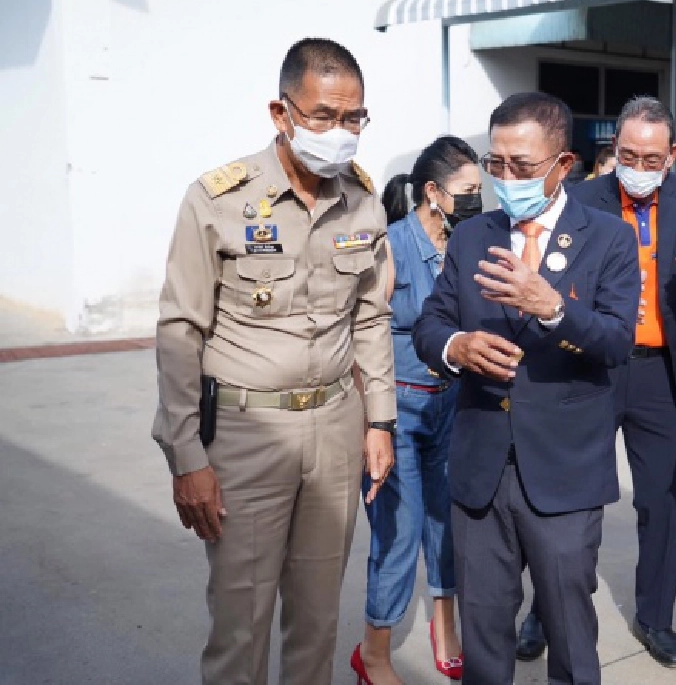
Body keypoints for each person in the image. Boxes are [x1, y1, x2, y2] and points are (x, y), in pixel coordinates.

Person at [152, 38, 396, 685]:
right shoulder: (218, 199)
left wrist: (380, 421)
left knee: (317, 624)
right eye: (323, 116)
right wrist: (188, 458)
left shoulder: (364, 201)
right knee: (242, 626)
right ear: (280, 112)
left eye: (354, 119)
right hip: (246, 438)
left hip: (336, 434)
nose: (339, 133)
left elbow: (370, 316)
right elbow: (180, 330)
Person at [412, 92, 640, 685]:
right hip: (482, 466)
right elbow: (431, 324)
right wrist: (455, 347)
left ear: (563, 165)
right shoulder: (470, 236)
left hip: (564, 471)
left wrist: (553, 308)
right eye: (496, 164)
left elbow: (617, 343)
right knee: (485, 633)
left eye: (522, 166)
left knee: (569, 631)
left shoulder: (608, 238)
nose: (506, 178)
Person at [514, 96, 676, 668]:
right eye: (627, 153)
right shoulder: (581, 197)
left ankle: (656, 618)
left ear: (671, 154)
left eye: (651, 156)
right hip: (590, 365)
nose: (637, 164)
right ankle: (542, 615)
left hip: (663, 373)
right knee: (565, 501)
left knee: (663, 503)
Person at [351, 137, 483, 685]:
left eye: (481, 191)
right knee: (398, 535)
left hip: (454, 407)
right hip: (397, 414)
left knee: (449, 526)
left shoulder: (471, 242)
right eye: (468, 192)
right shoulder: (389, 245)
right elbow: (361, 333)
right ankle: (374, 652)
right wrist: (372, 422)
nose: (478, 201)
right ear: (433, 192)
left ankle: (444, 626)